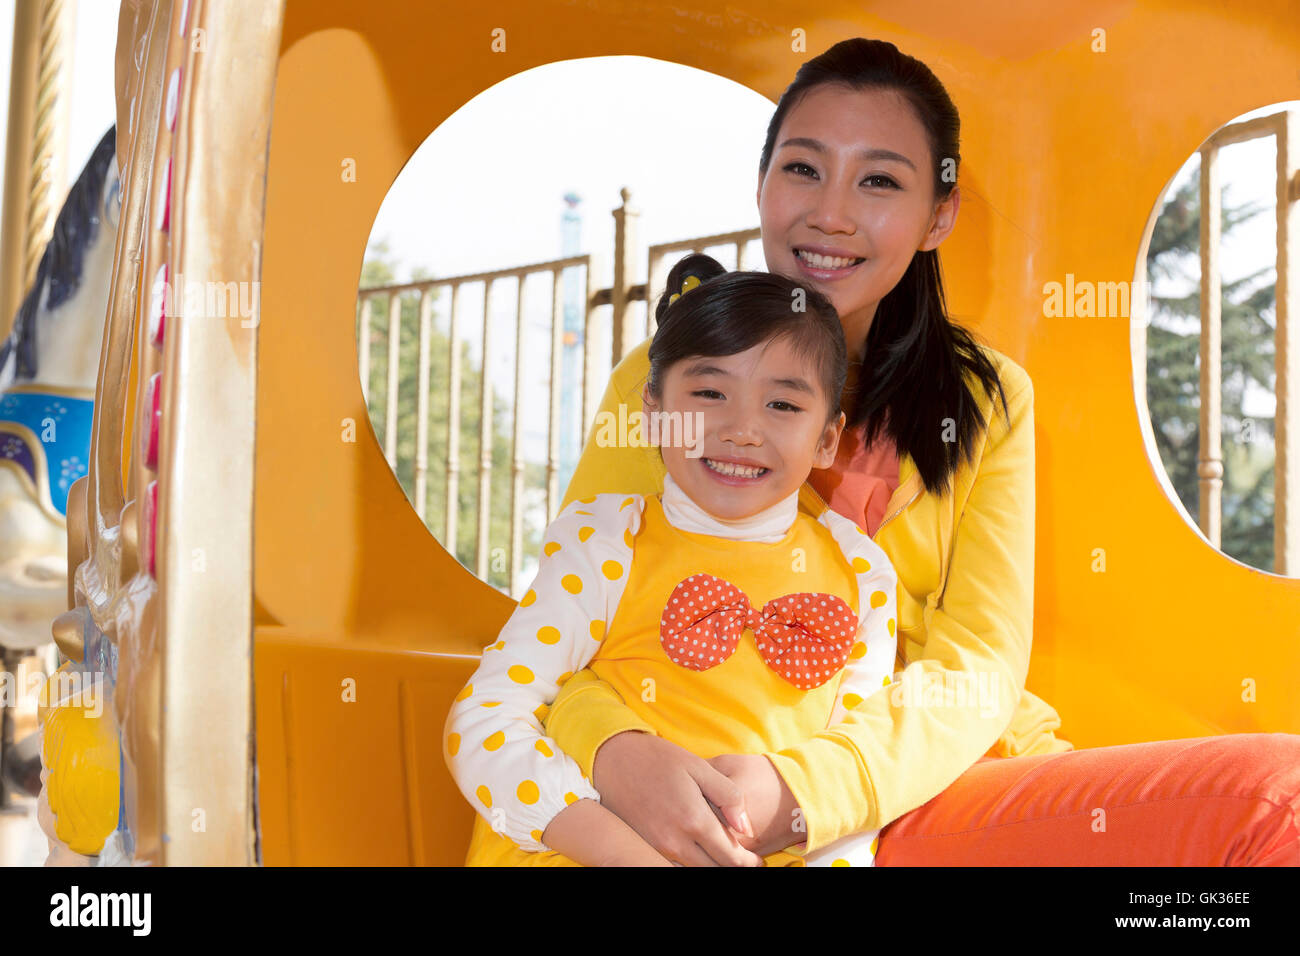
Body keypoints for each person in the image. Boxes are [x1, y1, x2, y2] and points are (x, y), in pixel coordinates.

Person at [538, 37, 1300, 866]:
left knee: (1275, 804)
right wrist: (617, 753)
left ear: (938, 215)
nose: (829, 212)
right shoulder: (669, 383)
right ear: (762, 185)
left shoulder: (986, 401)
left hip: (924, 787)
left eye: (878, 180)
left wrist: (803, 794)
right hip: (702, 784)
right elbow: (562, 625)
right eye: (802, 168)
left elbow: (979, 660)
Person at [445, 254, 901, 866]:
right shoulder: (605, 542)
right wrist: (618, 851)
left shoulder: (862, 574)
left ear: (826, 437)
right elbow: (484, 718)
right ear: (654, 412)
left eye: (783, 406)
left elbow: (847, 777)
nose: (742, 430)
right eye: (710, 393)